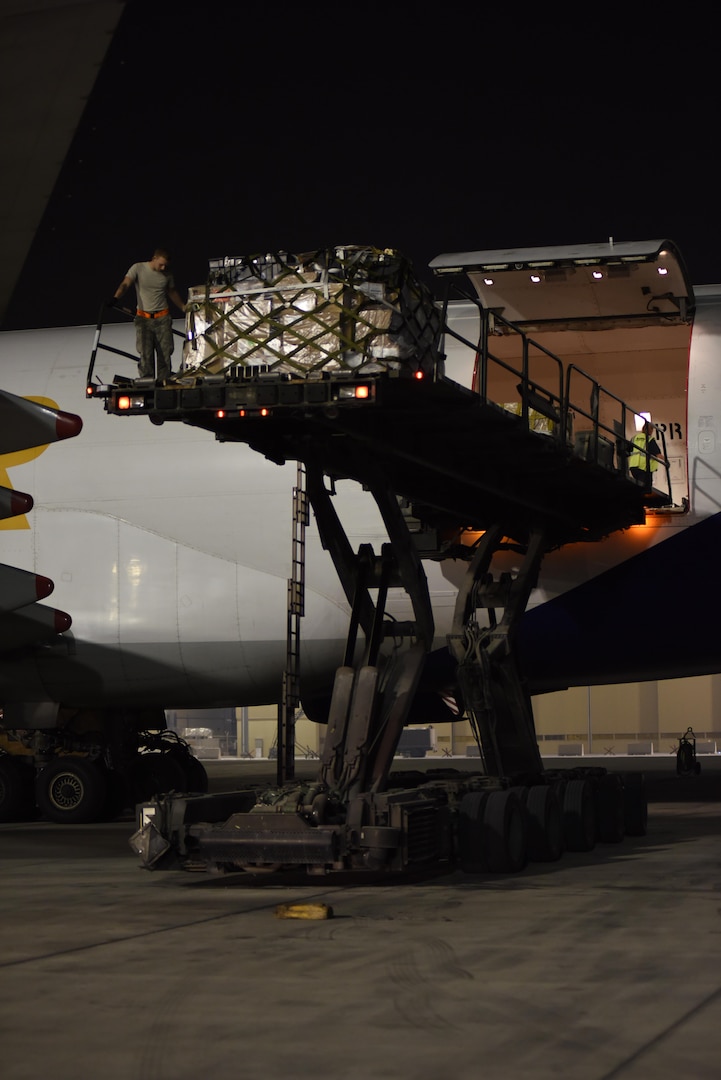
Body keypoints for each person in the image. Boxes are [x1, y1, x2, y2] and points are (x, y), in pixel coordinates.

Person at [108, 248, 186, 382]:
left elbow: (172, 292)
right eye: (161, 264)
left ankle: (164, 383)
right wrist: (116, 298)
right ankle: (147, 382)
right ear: (154, 258)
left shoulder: (167, 274)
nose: (163, 267)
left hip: (163, 318)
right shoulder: (138, 268)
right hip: (143, 319)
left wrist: (183, 307)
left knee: (165, 354)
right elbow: (126, 284)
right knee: (146, 354)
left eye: (165, 265)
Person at [628, 421, 660, 490]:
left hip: (634, 468)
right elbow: (658, 454)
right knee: (646, 489)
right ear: (650, 430)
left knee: (638, 486)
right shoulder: (650, 439)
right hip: (644, 468)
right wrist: (666, 461)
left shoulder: (634, 438)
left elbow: (627, 450)